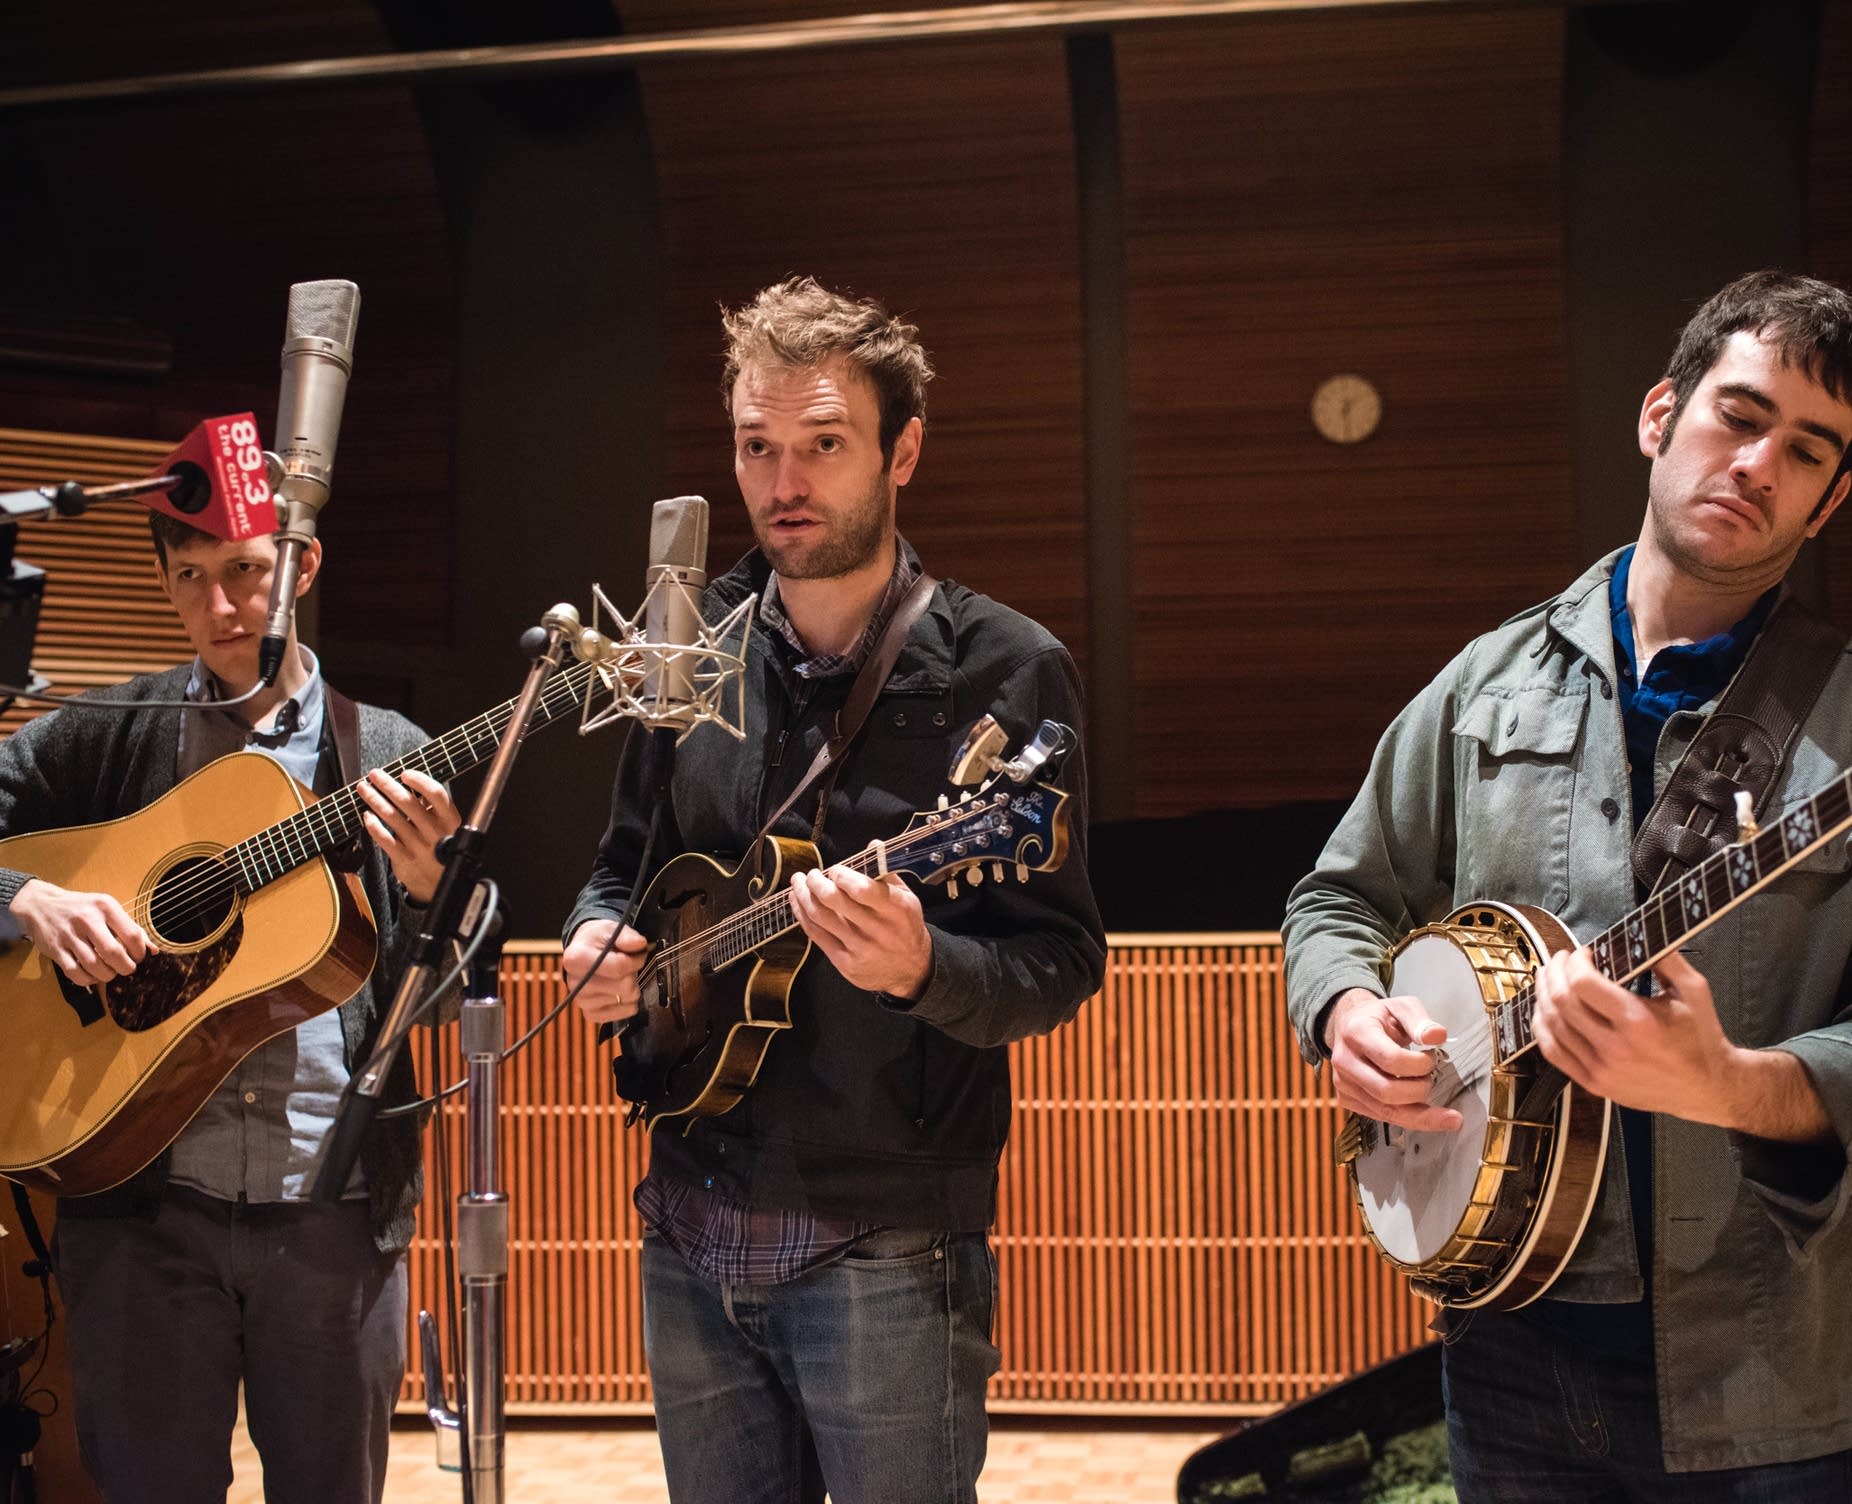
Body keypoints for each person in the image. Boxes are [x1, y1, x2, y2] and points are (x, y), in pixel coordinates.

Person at [1282, 271, 1852, 1500]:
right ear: (1658, 414)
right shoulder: (1480, 683)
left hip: (1782, 1362)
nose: (1756, 463)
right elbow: (1336, 898)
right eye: (1737, 413)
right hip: (1508, 1332)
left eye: (1805, 450)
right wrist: (1347, 1015)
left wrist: (1734, 1085)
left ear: (1828, 502)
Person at [564, 275, 1106, 1504]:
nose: (782, 482)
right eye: (757, 447)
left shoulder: (1007, 668)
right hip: (688, 1217)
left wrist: (926, 968)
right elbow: (623, 863)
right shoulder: (684, 644)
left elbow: (1060, 961)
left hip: (889, 1238)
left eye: (822, 444)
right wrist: (596, 933)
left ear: (901, 451)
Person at [0, 511, 463, 1504]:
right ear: (164, 583)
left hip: (332, 1215)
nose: (220, 605)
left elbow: (448, 999)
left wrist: (431, 891)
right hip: (141, 1213)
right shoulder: (111, 734)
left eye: (247, 571)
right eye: (190, 576)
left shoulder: (385, 751)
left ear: (303, 569)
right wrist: (23, 898)